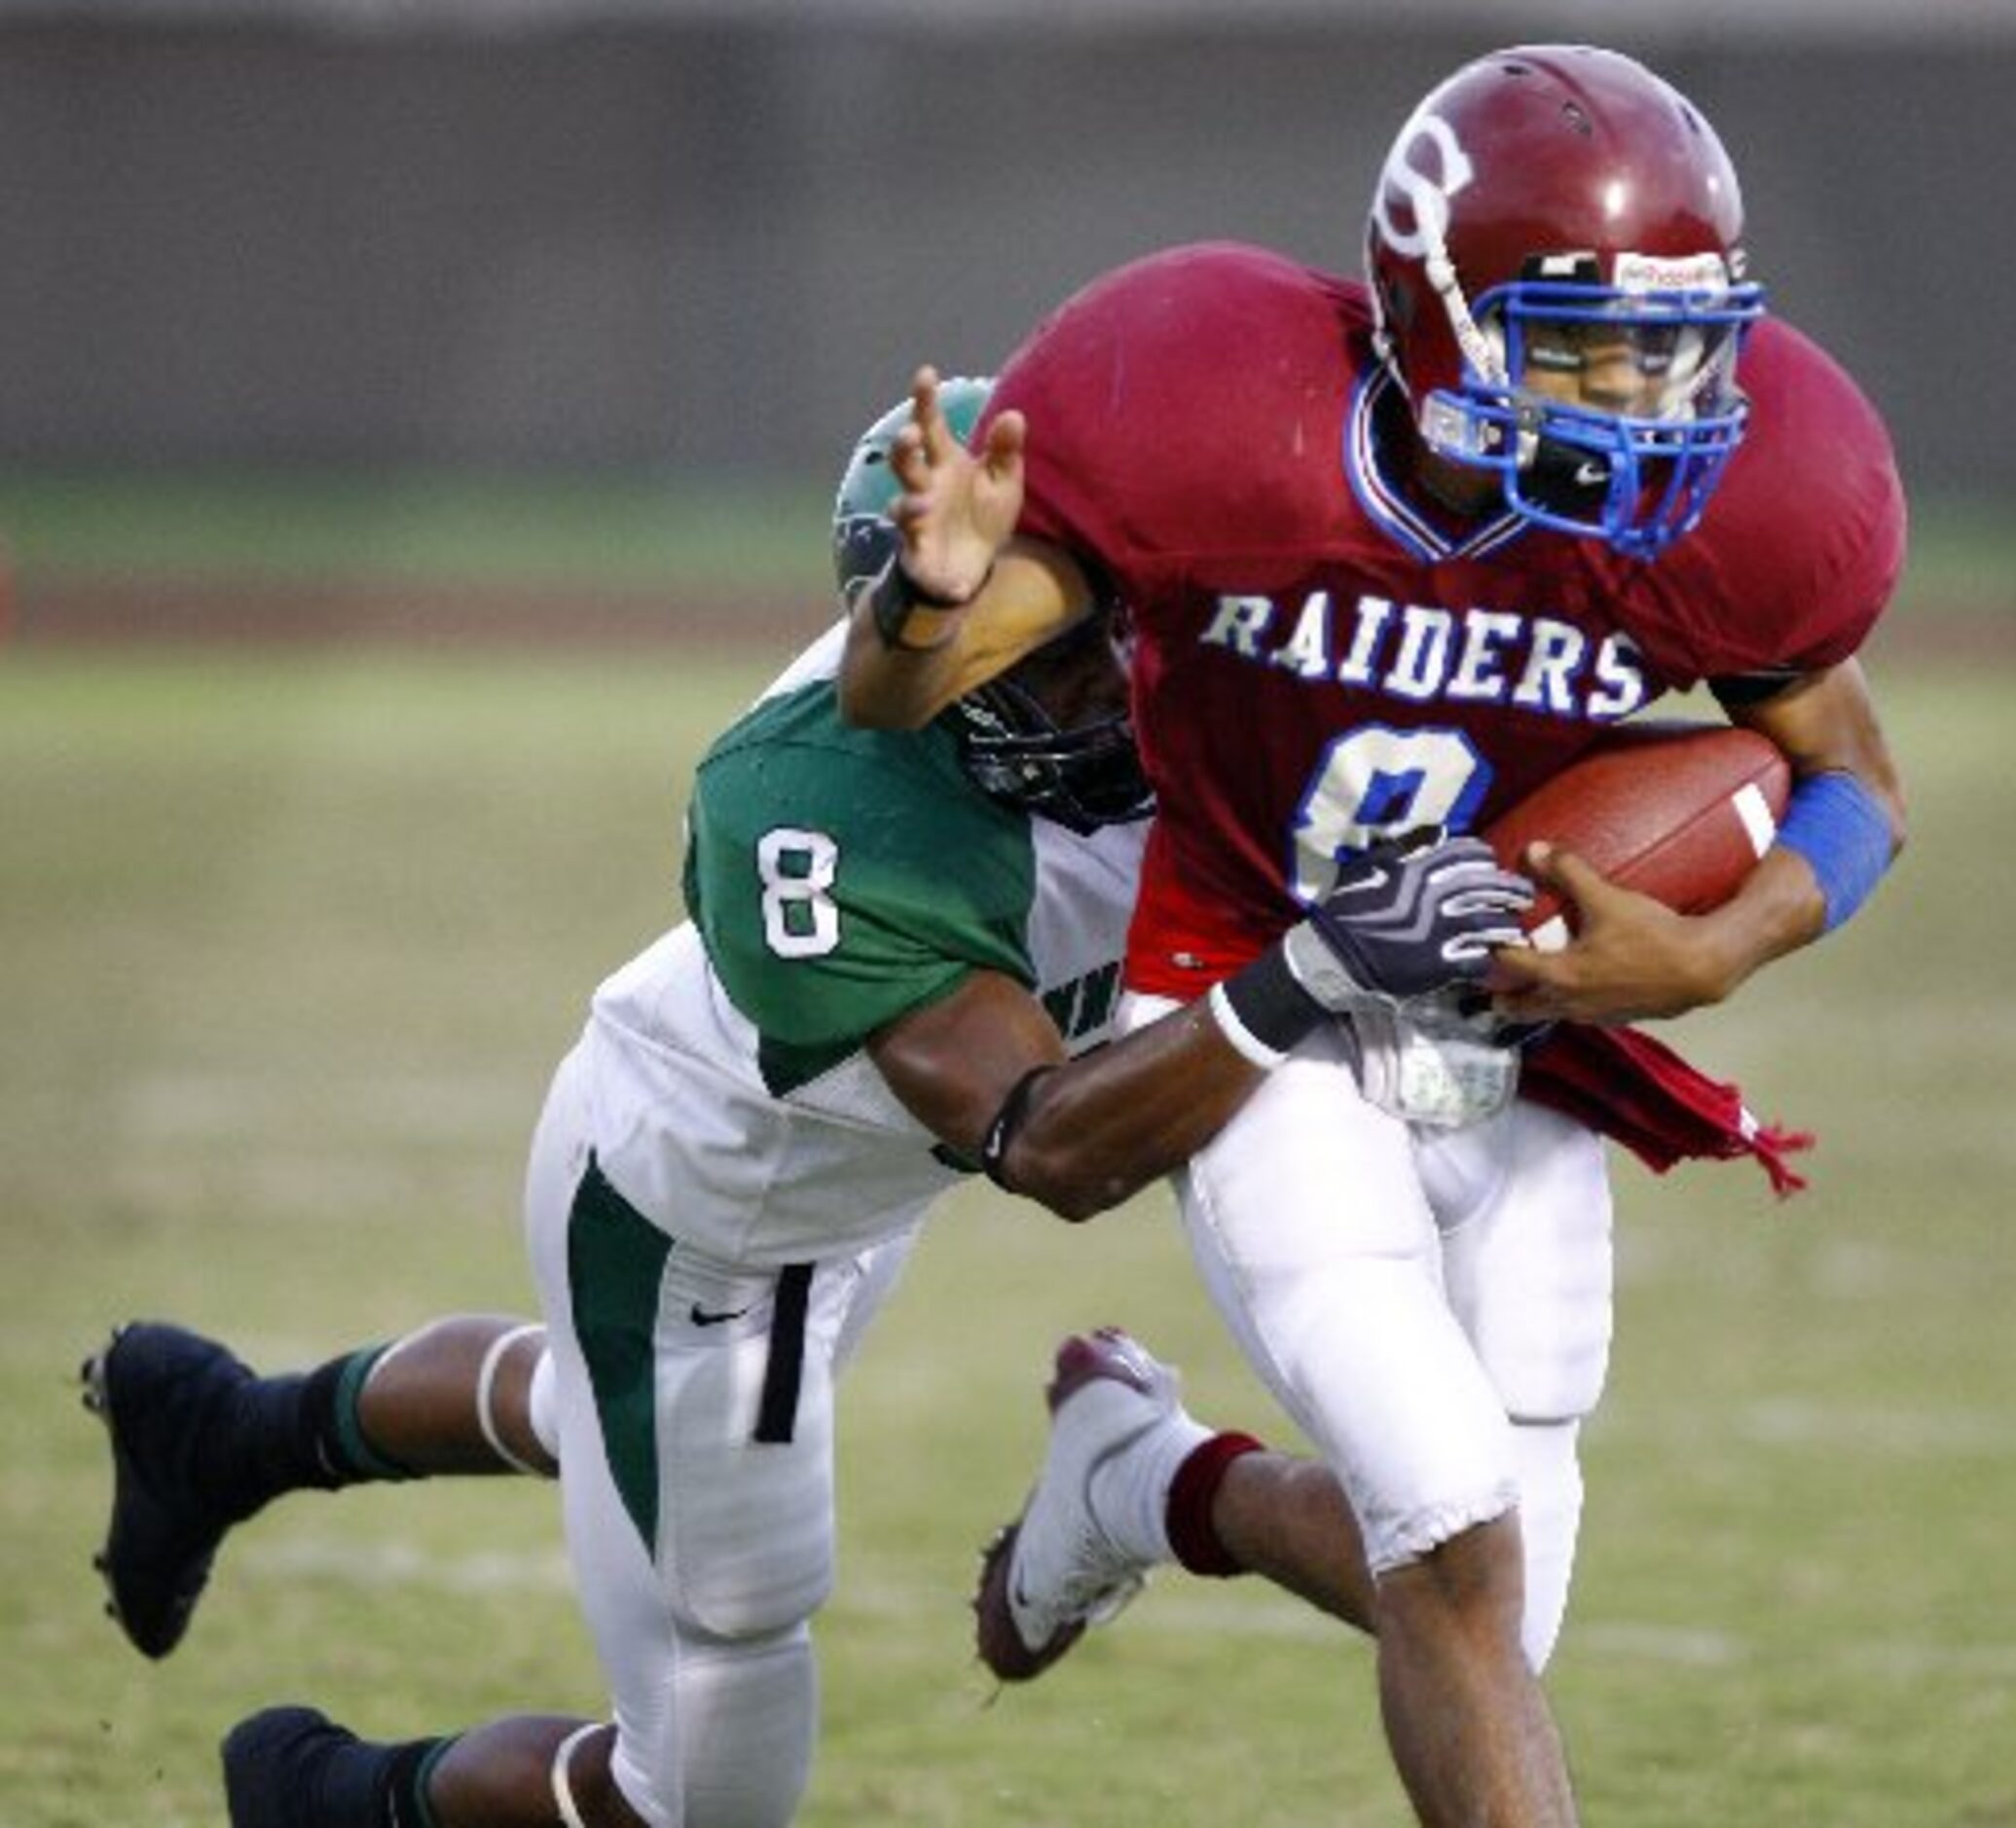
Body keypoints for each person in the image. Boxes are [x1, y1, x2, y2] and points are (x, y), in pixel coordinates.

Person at [84, 380, 1537, 1828]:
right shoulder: (830, 818)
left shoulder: (1164, 656)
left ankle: (233, 1429)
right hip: (708, 1226)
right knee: (706, 1779)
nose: (1100, 681)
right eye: (1038, 653)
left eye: (1098, 621)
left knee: (603, 1413)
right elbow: (1053, 1141)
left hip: (843, 1170)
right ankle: (333, 1795)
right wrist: (1318, 965)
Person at [839, 43, 1910, 1828]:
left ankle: (1139, 1480)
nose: (1655, 400)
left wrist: (1715, 957)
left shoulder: (1749, 498)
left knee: (1497, 1602)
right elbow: (900, 694)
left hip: (1525, 1020)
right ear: (1441, 314)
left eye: (1683, 345)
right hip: (1266, 998)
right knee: (1453, 1538)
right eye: (1590, 346)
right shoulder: (1215, 400)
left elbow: (1854, 783)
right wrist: (919, 597)